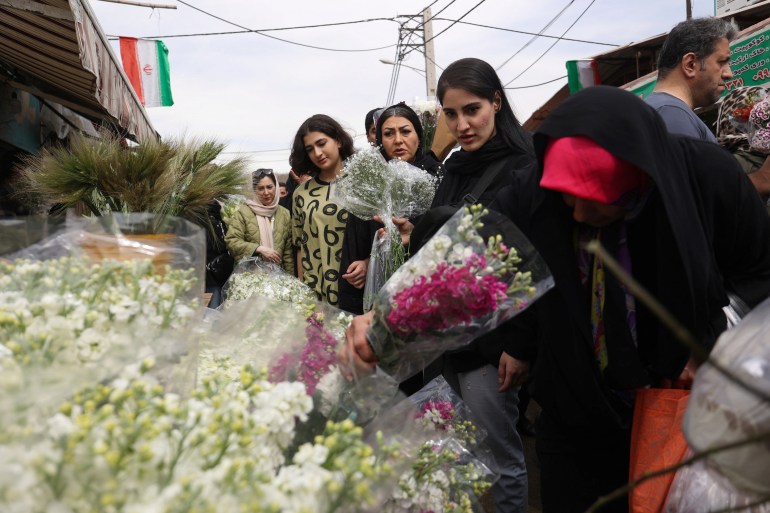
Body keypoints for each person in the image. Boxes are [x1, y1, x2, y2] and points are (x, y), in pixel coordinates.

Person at [490, 86, 770, 512]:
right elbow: (502, 270)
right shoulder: (530, 196)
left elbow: (760, 272)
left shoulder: (705, 177)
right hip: (577, 407)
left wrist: (716, 343)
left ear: (642, 179)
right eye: (570, 200)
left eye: (601, 204)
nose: (581, 217)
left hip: (679, 402)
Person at [346, 58, 535, 513]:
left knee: (501, 456)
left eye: (472, 110)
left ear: (497, 102)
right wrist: (414, 236)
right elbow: (446, 246)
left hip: (494, 343)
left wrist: (522, 344)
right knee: (457, 448)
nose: (463, 124)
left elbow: (528, 260)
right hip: (446, 336)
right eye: (451, 114)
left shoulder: (523, 166)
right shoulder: (453, 169)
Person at [338, 103, 443, 315]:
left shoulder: (438, 177)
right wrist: (368, 261)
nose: (398, 140)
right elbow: (356, 240)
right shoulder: (369, 181)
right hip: (378, 297)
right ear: (379, 141)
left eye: (405, 131)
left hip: (427, 292)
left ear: (419, 135)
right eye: (388, 133)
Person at [289, 114, 355, 306]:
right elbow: (300, 246)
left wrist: (368, 263)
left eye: (321, 143)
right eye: (310, 149)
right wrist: (303, 291)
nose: (317, 153)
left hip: (355, 289)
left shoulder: (361, 184)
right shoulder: (301, 194)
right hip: (316, 293)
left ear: (339, 141)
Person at [645, 17, 737, 143]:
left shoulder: (664, 111)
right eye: (721, 62)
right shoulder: (672, 114)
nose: (729, 74)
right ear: (690, 64)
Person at [225, 169, 294, 274]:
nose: (266, 192)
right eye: (261, 188)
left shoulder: (284, 214)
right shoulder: (243, 212)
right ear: (254, 190)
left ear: (275, 187)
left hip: (278, 278)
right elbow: (232, 241)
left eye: (269, 187)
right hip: (251, 278)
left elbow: (288, 253)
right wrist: (258, 249)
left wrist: (290, 279)